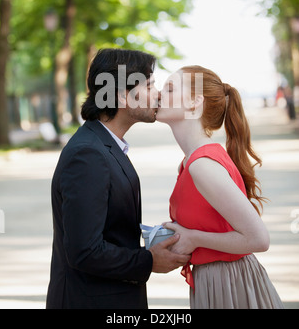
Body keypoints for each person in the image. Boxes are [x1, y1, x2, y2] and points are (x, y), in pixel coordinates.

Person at [46, 48, 190, 309]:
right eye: (149, 84)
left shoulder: (105, 145)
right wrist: (148, 260)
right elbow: (84, 250)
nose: (157, 93)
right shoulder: (88, 154)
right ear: (122, 95)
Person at [157, 65, 284, 309]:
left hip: (230, 284)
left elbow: (259, 239)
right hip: (217, 281)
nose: (159, 94)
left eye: (170, 88)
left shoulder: (202, 164)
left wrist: (193, 238)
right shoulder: (191, 161)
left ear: (194, 102)